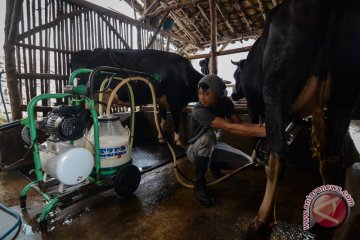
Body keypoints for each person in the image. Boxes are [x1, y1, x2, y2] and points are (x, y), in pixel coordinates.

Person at [186, 74, 266, 207]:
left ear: (217, 92)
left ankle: (214, 165)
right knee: (208, 137)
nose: (201, 98)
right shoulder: (199, 110)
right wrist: (267, 131)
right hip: (194, 150)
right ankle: (199, 185)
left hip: (214, 145)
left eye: (206, 93)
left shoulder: (225, 103)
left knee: (248, 162)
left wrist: (262, 127)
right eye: (199, 93)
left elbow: (238, 123)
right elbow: (230, 127)